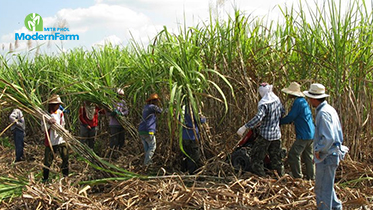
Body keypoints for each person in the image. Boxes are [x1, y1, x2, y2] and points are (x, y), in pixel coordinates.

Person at [304, 83, 344, 210]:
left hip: (327, 157)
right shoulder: (330, 109)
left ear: (314, 99)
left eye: (310, 98)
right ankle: (337, 208)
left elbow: (328, 138)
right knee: (327, 187)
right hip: (331, 155)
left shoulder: (323, 113)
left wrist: (318, 150)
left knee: (322, 190)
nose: (309, 100)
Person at [237, 83, 285, 177]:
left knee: (256, 158)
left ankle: (262, 178)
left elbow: (258, 117)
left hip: (265, 136)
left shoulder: (264, 104)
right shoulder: (277, 100)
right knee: (276, 160)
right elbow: (282, 112)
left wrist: (245, 127)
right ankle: (281, 178)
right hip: (276, 135)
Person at [280, 82, 315, 180]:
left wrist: (280, 121)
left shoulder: (298, 102)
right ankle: (311, 178)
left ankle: (297, 177)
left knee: (293, 154)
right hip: (311, 134)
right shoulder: (303, 101)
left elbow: (291, 116)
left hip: (303, 135)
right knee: (308, 156)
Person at [41, 94, 69, 182]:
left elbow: (63, 124)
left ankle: (65, 177)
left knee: (65, 157)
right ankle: (45, 179)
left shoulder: (60, 113)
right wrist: (49, 123)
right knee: (47, 162)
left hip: (60, 139)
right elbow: (43, 128)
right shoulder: (45, 115)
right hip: (50, 141)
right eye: (57, 104)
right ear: (52, 105)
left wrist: (64, 133)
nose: (58, 106)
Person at [181, 104, 206, 174]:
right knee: (194, 155)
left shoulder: (181, 110)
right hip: (192, 136)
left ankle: (184, 170)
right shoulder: (192, 110)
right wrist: (203, 118)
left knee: (186, 154)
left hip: (184, 136)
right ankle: (192, 172)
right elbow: (200, 120)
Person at [138, 93, 163, 166]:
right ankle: (147, 163)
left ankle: (148, 164)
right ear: (154, 101)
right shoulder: (152, 107)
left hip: (142, 130)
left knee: (147, 148)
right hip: (148, 130)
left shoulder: (146, 107)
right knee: (152, 146)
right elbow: (162, 111)